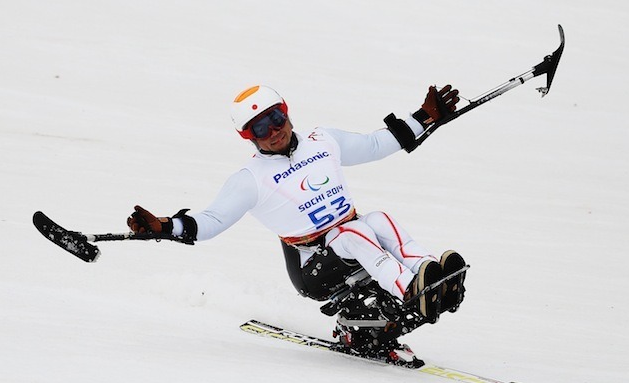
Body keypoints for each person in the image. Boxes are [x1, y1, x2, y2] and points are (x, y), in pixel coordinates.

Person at [127, 84, 467, 364]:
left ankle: (430, 275)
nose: (274, 131)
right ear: (248, 135)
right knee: (354, 231)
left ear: (287, 112)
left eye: (277, 118)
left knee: (377, 219)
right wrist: (164, 226)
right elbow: (211, 221)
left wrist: (426, 116)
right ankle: (412, 290)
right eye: (261, 127)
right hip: (312, 269)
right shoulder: (251, 179)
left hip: (351, 242)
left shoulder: (323, 141)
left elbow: (375, 144)